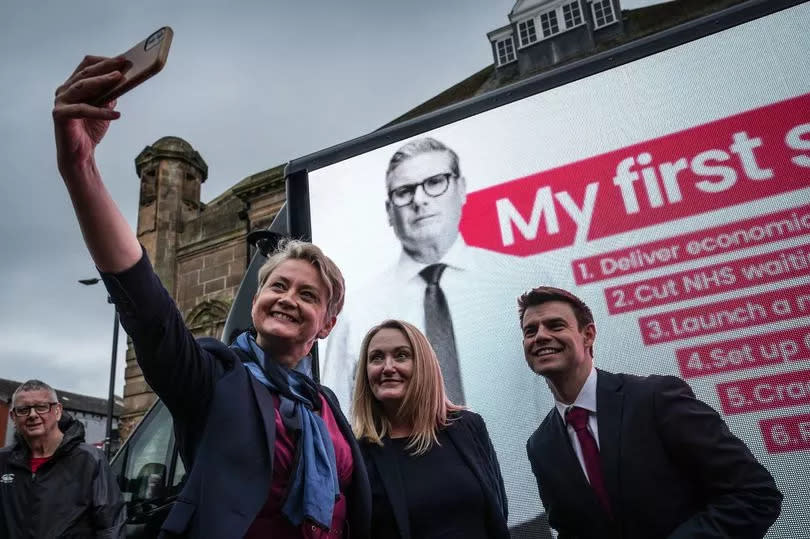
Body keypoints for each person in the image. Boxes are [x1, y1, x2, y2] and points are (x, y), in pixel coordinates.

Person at [53, 55, 370, 538]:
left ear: (326, 323)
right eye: (277, 285)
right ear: (257, 298)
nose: (288, 298)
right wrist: (80, 168)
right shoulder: (214, 380)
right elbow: (147, 305)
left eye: (308, 295)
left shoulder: (324, 403)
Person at [518, 286, 784, 539]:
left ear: (588, 335)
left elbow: (754, 494)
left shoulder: (655, 398)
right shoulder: (542, 445)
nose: (540, 336)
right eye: (530, 331)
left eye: (555, 325)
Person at [352, 319, 509, 539]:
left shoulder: (469, 427)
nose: (388, 367)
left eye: (401, 355)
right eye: (377, 358)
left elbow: (498, 510)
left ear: (424, 365)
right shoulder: (355, 453)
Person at [0, 379, 126, 538]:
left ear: (58, 410)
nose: (32, 415)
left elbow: (111, 526)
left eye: (41, 407)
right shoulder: (3, 461)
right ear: (13, 416)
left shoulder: (89, 460)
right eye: (23, 409)